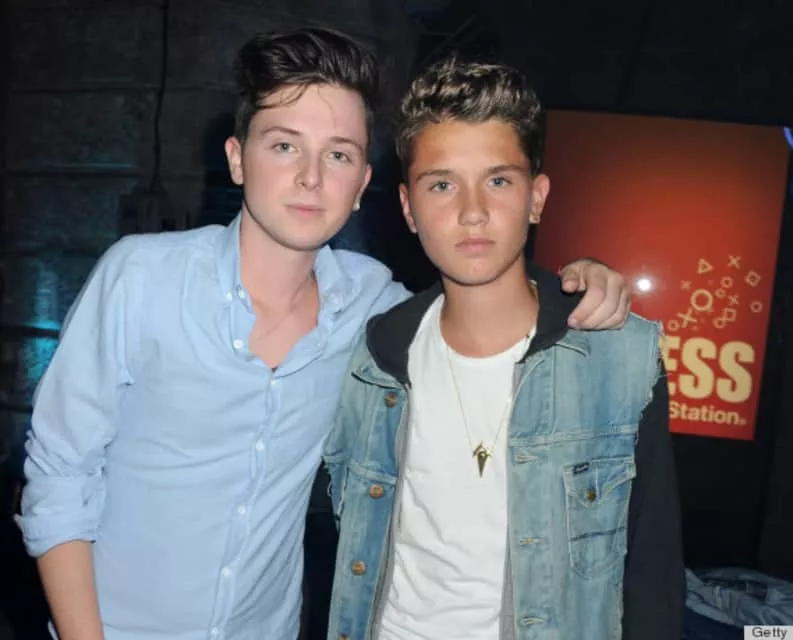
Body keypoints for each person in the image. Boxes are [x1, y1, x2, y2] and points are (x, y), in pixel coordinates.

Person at [18, 28, 632, 640]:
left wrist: (578, 281)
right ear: (237, 158)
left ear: (362, 183)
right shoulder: (141, 278)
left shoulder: (374, 309)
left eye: (338, 154)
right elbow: (59, 475)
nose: (310, 176)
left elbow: (479, 299)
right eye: (285, 146)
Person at [323, 54, 685, 640]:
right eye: (442, 185)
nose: (472, 212)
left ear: (536, 197)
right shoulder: (374, 358)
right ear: (409, 209)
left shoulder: (619, 358)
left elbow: (653, 571)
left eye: (498, 180)